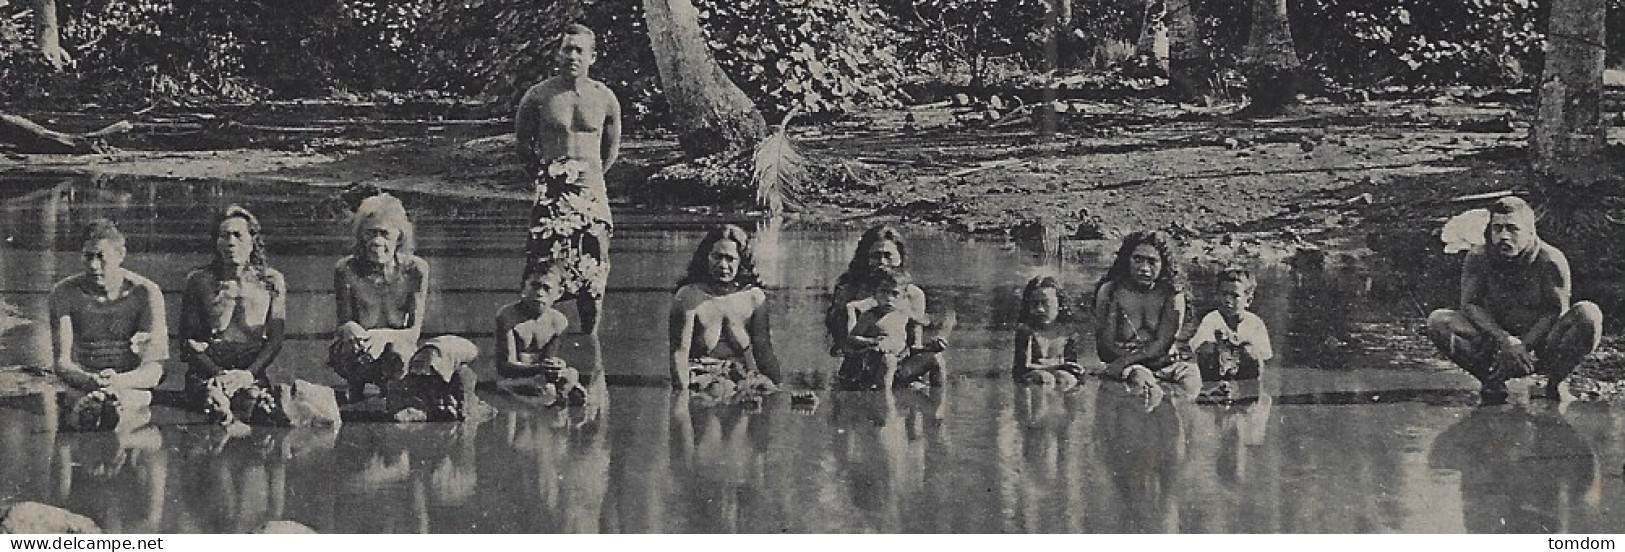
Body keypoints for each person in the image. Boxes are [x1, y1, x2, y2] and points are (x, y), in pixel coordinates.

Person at [1425, 196, 1604, 404]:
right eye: (1497, 228)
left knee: (1588, 315)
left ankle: (1556, 382)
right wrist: (1505, 340)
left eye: (1512, 229)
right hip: (1495, 342)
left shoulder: (1551, 260)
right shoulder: (1479, 257)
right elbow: (1470, 305)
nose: (1504, 236)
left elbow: (1555, 311)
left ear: (1530, 231)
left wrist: (1523, 345)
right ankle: (1491, 382)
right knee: (1438, 321)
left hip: (1542, 344)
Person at [516, 23, 623, 335]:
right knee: (541, 266)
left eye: (579, 50)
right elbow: (523, 144)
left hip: (591, 195)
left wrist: (592, 179)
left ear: (593, 56)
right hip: (552, 196)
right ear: (557, 53)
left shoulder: (605, 98)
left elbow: (612, 147)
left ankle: (590, 343)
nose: (572, 56)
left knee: (594, 268)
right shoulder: (538, 96)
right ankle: (535, 338)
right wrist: (544, 177)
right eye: (567, 49)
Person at [48, 219, 167, 429]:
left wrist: (119, 382)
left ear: (120, 255)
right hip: (83, 382)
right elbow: (62, 362)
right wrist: (90, 381)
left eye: (101, 257)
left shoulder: (145, 293)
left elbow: (155, 367)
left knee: (131, 405)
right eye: (88, 256)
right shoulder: (64, 293)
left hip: (131, 384)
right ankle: (99, 412)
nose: (94, 266)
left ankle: (112, 410)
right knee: (81, 404)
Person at [178, 205, 288, 423]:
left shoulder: (271, 281)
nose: (230, 243)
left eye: (238, 235)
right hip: (208, 370)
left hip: (251, 370)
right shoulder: (199, 281)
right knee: (213, 400)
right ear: (216, 242)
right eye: (224, 236)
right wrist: (217, 372)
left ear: (252, 240)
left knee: (258, 404)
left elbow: (275, 339)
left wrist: (248, 374)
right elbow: (187, 341)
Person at [330, 192, 430, 402]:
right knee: (347, 346)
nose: (376, 241)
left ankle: (393, 395)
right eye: (370, 233)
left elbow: (414, 332)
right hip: (359, 348)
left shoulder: (416, 270)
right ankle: (355, 394)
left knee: (399, 353)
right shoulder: (345, 269)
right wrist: (351, 329)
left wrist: (383, 336)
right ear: (360, 236)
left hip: (396, 350)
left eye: (384, 234)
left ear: (399, 236)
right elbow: (342, 324)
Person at [827, 225, 947, 387]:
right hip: (862, 365)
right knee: (886, 362)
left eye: (888, 255)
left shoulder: (913, 295)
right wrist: (874, 346)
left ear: (900, 257)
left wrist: (931, 347)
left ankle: (937, 407)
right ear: (865, 258)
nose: (882, 262)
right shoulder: (849, 291)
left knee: (936, 359)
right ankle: (885, 407)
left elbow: (914, 344)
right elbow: (843, 345)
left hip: (898, 363)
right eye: (876, 256)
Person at [668, 225, 781, 393]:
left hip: (744, 379)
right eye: (717, 257)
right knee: (718, 389)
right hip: (703, 382)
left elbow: (764, 353)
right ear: (706, 257)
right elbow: (679, 354)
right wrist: (682, 401)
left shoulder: (754, 298)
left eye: (730, 259)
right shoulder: (688, 296)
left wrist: (778, 391)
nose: (722, 265)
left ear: (741, 260)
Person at [1093, 231, 1201, 397]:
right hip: (1127, 365)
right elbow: (1105, 342)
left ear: (1163, 264)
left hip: (1167, 363)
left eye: (1152, 262)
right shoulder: (1110, 291)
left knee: (1192, 384)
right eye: (1138, 259)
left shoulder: (1173, 294)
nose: (1144, 268)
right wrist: (1125, 362)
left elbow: (1164, 342)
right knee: (1141, 381)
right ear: (1126, 260)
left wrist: (1126, 360)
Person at [493, 262, 585, 406]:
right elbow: (505, 367)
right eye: (535, 286)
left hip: (540, 377)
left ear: (559, 293)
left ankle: (559, 400)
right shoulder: (507, 316)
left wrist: (556, 366)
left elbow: (549, 359)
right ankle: (556, 399)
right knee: (544, 388)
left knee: (571, 373)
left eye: (547, 288)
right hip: (513, 380)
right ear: (524, 287)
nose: (540, 293)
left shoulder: (559, 322)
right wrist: (539, 369)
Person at [1190, 267, 1272, 399]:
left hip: (1243, 373)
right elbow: (1198, 349)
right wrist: (1218, 342)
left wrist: (1239, 347)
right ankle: (1211, 389)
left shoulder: (1255, 323)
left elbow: (1264, 357)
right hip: (1217, 370)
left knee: (1250, 351)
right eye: (1224, 294)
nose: (1227, 300)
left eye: (1235, 296)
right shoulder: (1212, 319)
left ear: (1248, 301)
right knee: (1207, 349)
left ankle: (1248, 395)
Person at [837, 267, 917, 390]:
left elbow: (915, 341)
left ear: (904, 297)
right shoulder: (870, 316)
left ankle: (937, 401)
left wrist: (930, 345)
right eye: (884, 292)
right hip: (876, 363)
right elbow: (852, 338)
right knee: (888, 360)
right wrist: (872, 342)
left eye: (895, 294)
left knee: (935, 360)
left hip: (901, 361)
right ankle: (886, 401)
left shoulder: (905, 315)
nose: (889, 298)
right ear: (874, 294)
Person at [1014, 275, 1084, 387]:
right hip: (1035, 375)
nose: (1040, 309)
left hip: (1059, 374)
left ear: (1059, 304)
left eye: (1045, 303)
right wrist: (1055, 367)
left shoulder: (1068, 331)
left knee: (1067, 379)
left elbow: (1073, 364)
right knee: (1044, 378)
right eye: (1034, 304)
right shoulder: (1026, 331)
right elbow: (1023, 366)